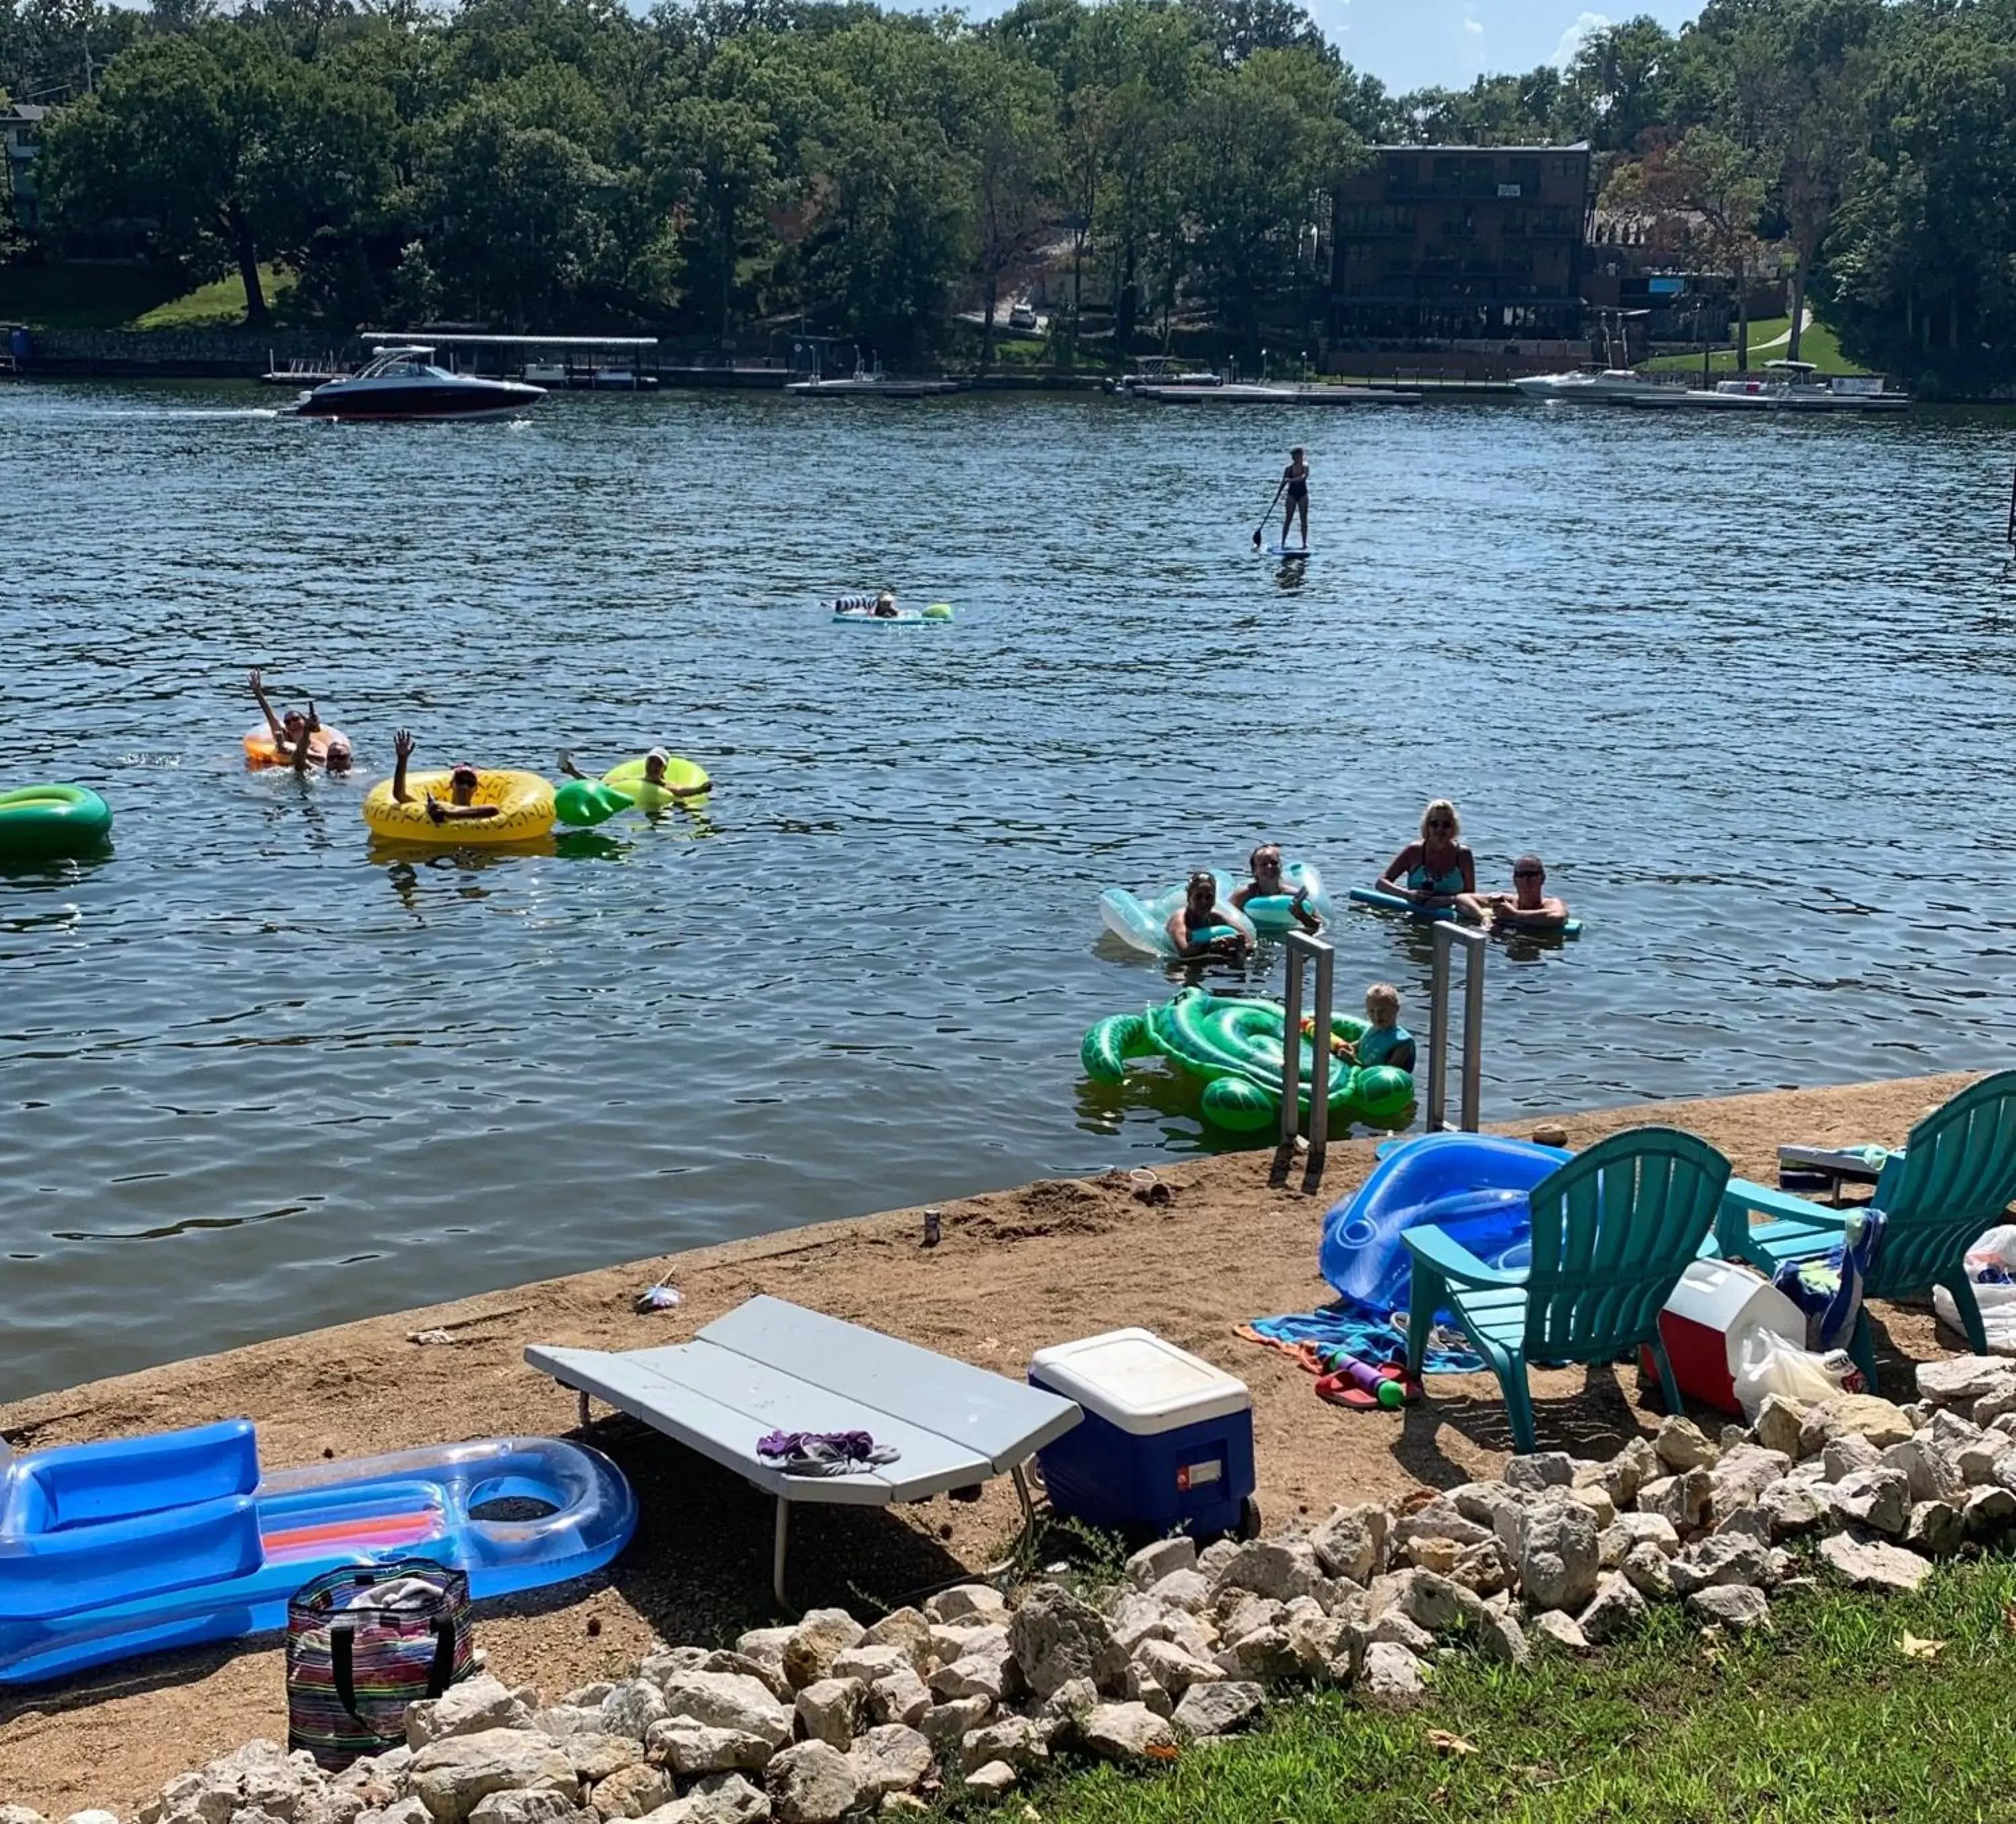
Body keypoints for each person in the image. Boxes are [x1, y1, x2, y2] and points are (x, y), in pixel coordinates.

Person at [1376, 799, 1476, 910]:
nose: (1440, 829)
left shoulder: (1463, 855)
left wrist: (1445, 900)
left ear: (1454, 827)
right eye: (1434, 824)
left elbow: (1471, 897)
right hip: (1415, 915)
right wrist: (1408, 894)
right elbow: (1381, 884)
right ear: (1427, 826)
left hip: (1449, 918)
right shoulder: (1414, 851)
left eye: (1446, 825)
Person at [390, 729, 498, 825]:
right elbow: (400, 795)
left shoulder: (477, 811)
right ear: (452, 784)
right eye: (460, 781)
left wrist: (448, 813)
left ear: (475, 789)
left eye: (470, 783)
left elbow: (494, 810)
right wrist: (402, 759)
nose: (465, 786)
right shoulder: (434, 808)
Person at [1460, 854, 1571, 933]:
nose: (1525, 880)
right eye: (1521, 875)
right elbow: (1463, 898)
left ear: (1542, 878)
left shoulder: (1550, 904)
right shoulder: (1507, 901)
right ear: (1514, 879)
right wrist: (1484, 917)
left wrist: (1514, 915)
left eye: (1531, 875)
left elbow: (1558, 917)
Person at [1232, 842, 1320, 932]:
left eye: (1274, 863)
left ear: (1281, 867)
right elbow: (1226, 922)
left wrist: (1303, 916)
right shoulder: (1242, 896)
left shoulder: (1293, 896)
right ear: (1254, 871)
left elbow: (1319, 926)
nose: (1270, 867)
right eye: (1264, 864)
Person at [1165, 870, 1249, 960]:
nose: (1204, 902)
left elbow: (1249, 941)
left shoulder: (1216, 917)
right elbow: (1184, 951)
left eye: (1209, 897)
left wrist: (1236, 945)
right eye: (1199, 896)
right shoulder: (1179, 919)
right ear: (1189, 897)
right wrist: (1211, 945)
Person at [1339, 983, 1415, 1073]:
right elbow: (1361, 1044)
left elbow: (1385, 1076)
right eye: (1371, 1011)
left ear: (1396, 1009)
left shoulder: (1402, 1044)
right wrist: (1345, 1048)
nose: (1377, 1016)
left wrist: (1354, 1063)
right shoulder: (1373, 1029)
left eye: (1382, 1010)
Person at [249, 667, 313, 753]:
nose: (293, 723)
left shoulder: (316, 744)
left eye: (295, 719)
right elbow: (270, 717)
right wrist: (258, 692)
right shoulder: (286, 740)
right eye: (288, 722)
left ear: (304, 720)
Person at [288, 712, 352, 776]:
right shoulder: (319, 773)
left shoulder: (360, 776)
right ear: (327, 761)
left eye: (341, 757)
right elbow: (298, 760)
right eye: (331, 758)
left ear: (351, 760)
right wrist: (307, 730)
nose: (335, 761)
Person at [1279, 447, 1310, 550]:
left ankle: (1304, 544)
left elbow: (1303, 478)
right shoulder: (1288, 469)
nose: (1296, 458)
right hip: (1291, 494)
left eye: (1298, 456)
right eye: (1294, 456)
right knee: (1288, 518)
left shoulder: (1305, 467)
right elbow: (1283, 482)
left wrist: (1290, 480)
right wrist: (1277, 495)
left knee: (1303, 519)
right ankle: (1283, 543)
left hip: (1303, 494)